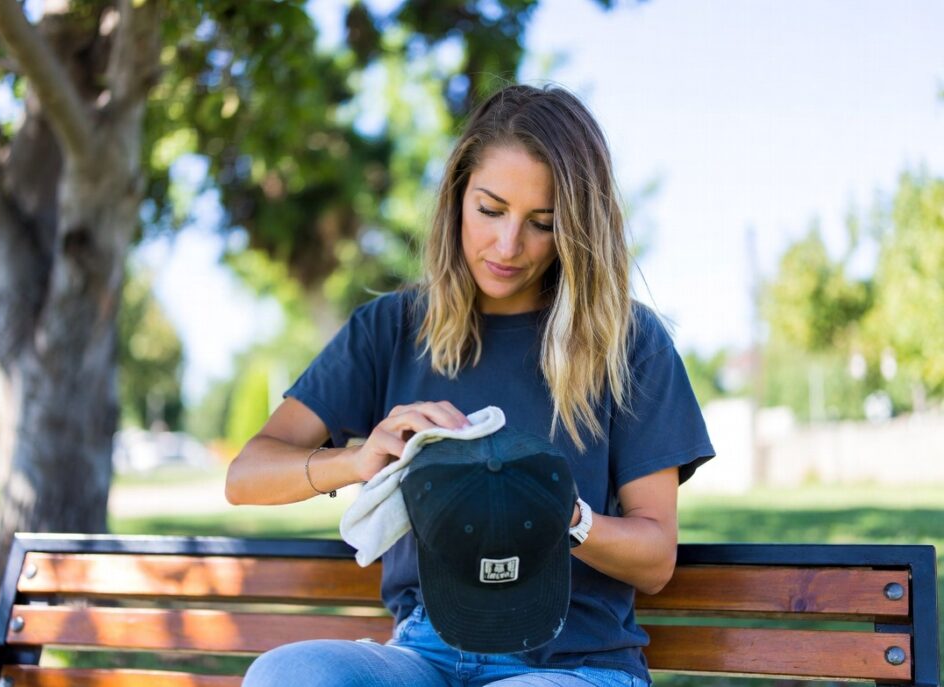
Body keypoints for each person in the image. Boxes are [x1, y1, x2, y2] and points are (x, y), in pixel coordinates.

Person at [225, 83, 715, 687]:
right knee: (288, 675)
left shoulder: (629, 340)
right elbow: (246, 474)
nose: (509, 246)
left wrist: (565, 515)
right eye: (490, 210)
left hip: (572, 662)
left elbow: (655, 557)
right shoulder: (391, 330)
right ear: (457, 197)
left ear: (577, 230)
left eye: (543, 223)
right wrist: (357, 461)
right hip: (425, 652)